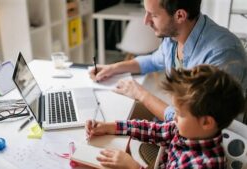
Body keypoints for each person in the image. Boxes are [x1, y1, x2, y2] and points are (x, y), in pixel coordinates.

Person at [90, 0, 247, 121]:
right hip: (181, 122)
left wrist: (141, 94)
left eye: (154, 15)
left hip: (211, 142)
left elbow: (193, 120)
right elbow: (154, 60)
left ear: (180, 15)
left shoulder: (222, 54)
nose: (146, 21)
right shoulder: (174, 35)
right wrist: (114, 68)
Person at [86, 65, 245, 169]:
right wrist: (110, 127)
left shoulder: (204, 164)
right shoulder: (188, 131)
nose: (173, 117)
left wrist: (132, 166)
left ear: (206, 122)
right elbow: (153, 130)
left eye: (180, 114)